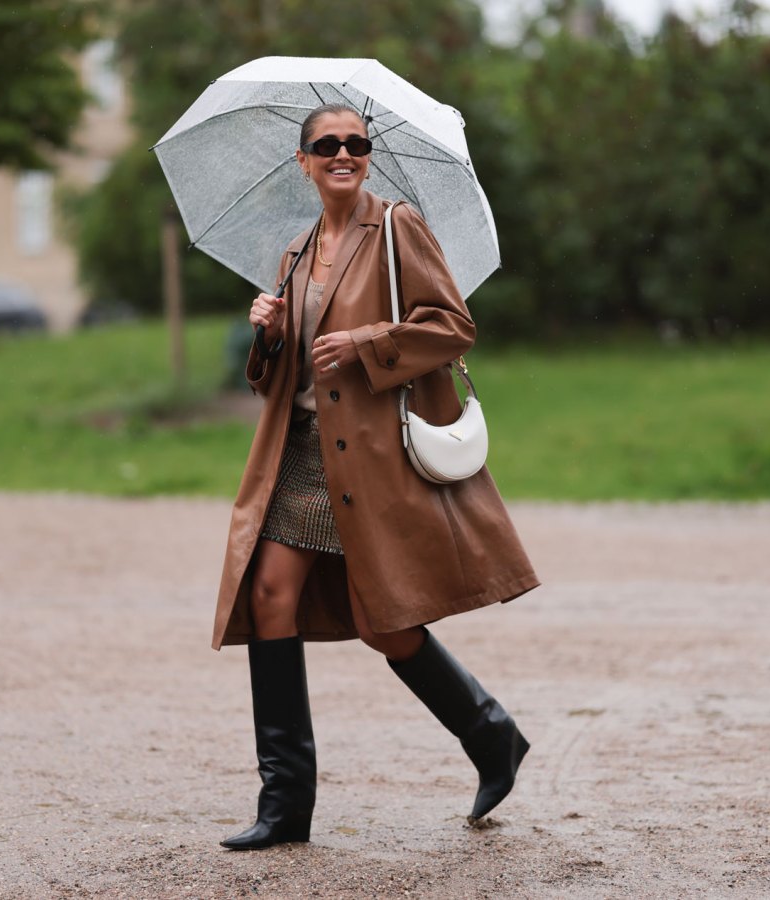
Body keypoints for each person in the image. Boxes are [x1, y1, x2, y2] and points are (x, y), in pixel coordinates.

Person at [214, 103, 540, 851]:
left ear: (368, 156)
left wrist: (364, 341)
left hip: (364, 456)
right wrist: (267, 332)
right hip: (298, 452)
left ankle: (492, 737)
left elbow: (454, 326)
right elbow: (274, 380)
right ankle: (285, 806)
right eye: (326, 145)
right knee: (269, 595)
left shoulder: (396, 228)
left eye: (356, 144)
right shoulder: (296, 251)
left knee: (384, 622)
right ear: (303, 161)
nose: (343, 154)